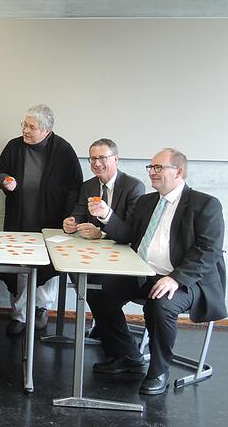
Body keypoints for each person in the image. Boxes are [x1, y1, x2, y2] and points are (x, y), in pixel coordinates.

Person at [87, 148, 226, 395]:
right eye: (151, 167)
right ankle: (128, 356)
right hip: (144, 272)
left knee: (159, 304)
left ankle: (159, 370)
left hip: (188, 281)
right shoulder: (146, 201)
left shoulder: (205, 204)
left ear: (179, 171)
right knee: (97, 289)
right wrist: (107, 216)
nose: (152, 172)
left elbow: (208, 251)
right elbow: (129, 235)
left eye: (158, 168)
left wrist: (176, 279)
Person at [0, 104, 82, 335]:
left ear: (46, 129)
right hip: (19, 217)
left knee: (46, 267)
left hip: (51, 220)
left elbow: (75, 187)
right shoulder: (14, 147)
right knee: (20, 266)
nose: (25, 130)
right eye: (24, 124)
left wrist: (71, 217)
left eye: (31, 127)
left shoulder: (63, 150)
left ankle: (41, 310)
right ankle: (19, 315)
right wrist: (5, 181)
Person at [63, 138, 145, 240]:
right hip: (93, 248)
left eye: (102, 158)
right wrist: (71, 223)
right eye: (93, 159)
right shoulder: (88, 186)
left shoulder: (133, 187)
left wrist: (101, 233)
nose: (97, 164)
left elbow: (130, 231)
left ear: (116, 159)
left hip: (121, 248)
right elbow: (79, 214)